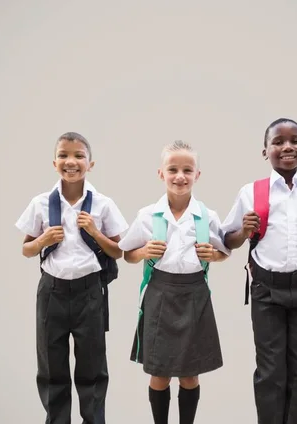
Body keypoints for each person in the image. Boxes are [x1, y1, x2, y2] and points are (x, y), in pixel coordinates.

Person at [221, 118, 297, 424]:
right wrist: (244, 231)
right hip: (266, 291)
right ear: (265, 151)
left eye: (295, 140)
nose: (287, 147)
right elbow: (228, 241)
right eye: (278, 142)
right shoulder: (251, 192)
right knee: (271, 371)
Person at [15, 132, 128, 424]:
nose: (71, 161)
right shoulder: (41, 203)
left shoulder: (102, 204)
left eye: (79, 155)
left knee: (92, 367)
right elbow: (26, 249)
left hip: (89, 292)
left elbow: (118, 251)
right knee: (52, 367)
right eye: (64, 155)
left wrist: (94, 231)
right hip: (51, 291)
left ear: (91, 164)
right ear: (54, 163)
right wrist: (42, 241)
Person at [118, 140, 230, 424]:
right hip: (160, 294)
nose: (180, 176)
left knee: (190, 372)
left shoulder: (207, 216)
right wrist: (144, 252)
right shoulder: (148, 216)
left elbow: (224, 252)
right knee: (160, 372)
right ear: (161, 173)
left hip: (195, 295)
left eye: (187, 170)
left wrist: (213, 256)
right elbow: (126, 254)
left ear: (197, 175)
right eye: (173, 169)